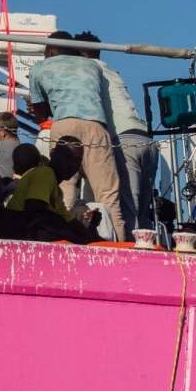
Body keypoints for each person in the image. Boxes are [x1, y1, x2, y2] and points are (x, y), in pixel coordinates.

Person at [28, 32, 124, 242]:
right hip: (96, 125)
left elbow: (40, 113)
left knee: (65, 188)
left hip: (64, 124)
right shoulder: (92, 66)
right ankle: (119, 245)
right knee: (108, 193)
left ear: (50, 50)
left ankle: (62, 241)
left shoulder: (39, 68)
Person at [77, 30, 158, 237]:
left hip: (125, 142)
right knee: (144, 211)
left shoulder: (89, 73)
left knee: (128, 208)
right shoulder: (112, 72)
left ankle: (133, 255)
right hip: (145, 140)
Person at [6, 138, 97, 244]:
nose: (72, 164)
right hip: (19, 235)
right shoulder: (45, 174)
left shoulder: (57, 191)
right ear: (52, 154)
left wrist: (91, 229)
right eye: (67, 157)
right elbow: (34, 211)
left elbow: (71, 223)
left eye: (77, 161)